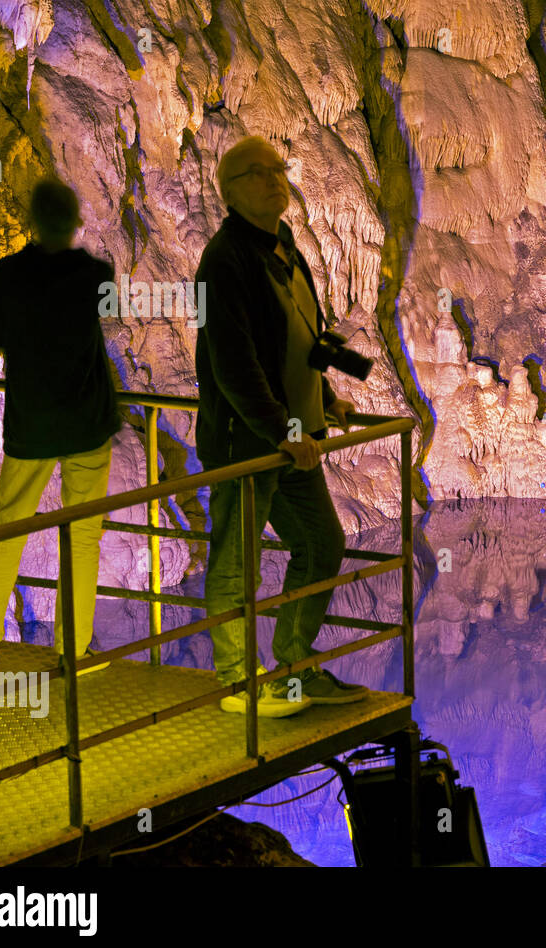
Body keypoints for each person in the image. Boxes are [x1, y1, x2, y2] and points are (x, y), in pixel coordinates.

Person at [196, 135, 367, 718]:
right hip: (250, 441)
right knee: (235, 559)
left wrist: (326, 395)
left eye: (278, 169)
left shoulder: (284, 243)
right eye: (258, 173)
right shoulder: (224, 262)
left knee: (322, 543)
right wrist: (280, 431)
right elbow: (233, 362)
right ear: (231, 192)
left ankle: (293, 663)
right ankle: (238, 683)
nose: (274, 180)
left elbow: (303, 330)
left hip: (295, 436)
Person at [0, 177, 120, 675]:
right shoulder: (93, 274)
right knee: (82, 537)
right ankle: (74, 650)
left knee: (10, 529)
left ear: (35, 220)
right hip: (87, 423)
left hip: (31, 423)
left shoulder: (10, 273)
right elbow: (110, 312)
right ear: (74, 222)